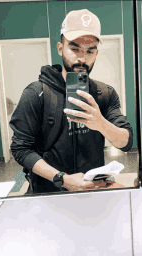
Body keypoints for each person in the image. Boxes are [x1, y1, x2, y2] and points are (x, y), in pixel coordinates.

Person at [10, 9, 133, 194]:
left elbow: (126, 142)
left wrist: (100, 123)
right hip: (48, 193)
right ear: (60, 48)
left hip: (92, 191)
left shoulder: (105, 94)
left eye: (90, 51)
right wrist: (62, 179)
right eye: (74, 49)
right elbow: (21, 149)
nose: (82, 58)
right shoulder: (36, 93)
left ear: (96, 53)